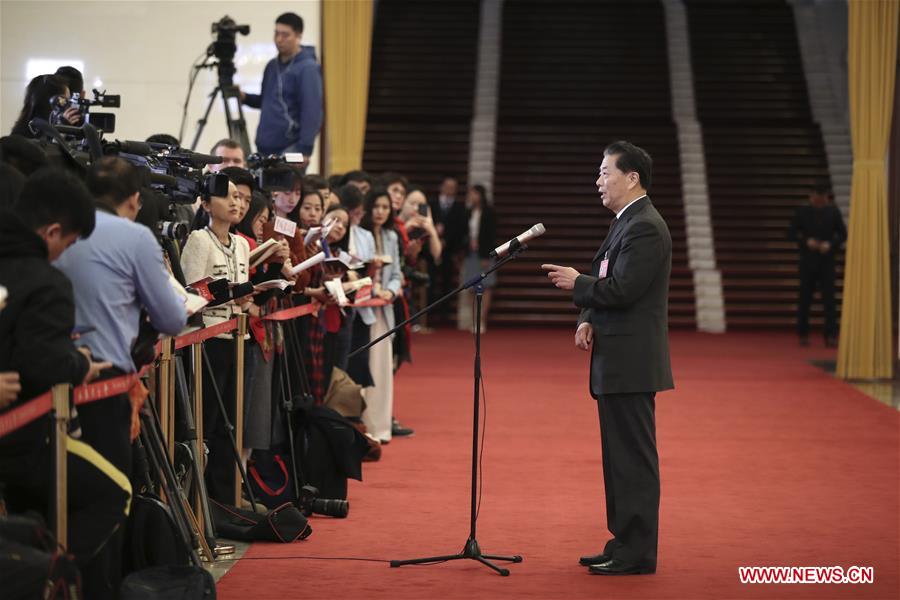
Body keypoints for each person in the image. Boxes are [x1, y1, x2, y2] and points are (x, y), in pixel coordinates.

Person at [542, 140, 673, 576]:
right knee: (618, 458)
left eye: (605, 173)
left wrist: (576, 283)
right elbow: (606, 273)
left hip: (632, 362)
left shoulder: (645, 226)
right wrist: (587, 316)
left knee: (633, 459)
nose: (599, 181)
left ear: (631, 177)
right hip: (615, 357)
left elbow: (623, 288)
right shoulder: (625, 221)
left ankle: (637, 552)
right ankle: (622, 541)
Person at [0, 168, 128, 599]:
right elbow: (43, 363)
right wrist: (78, 364)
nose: (63, 255)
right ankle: (49, 575)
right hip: (26, 439)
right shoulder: (45, 281)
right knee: (115, 491)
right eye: (68, 244)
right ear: (53, 230)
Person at [55, 156, 188, 477]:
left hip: (56, 369)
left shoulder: (60, 229)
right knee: (110, 489)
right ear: (135, 199)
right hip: (106, 374)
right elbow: (172, 319)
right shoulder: (136, 237)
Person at [241, 12, 323, 161]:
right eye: (276, 33)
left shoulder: (307, 68)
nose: (279, 39)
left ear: (298, 35)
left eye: (285, 35)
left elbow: (312, 111)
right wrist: (244, 97)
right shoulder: (272, 66)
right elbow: (266, 101)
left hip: (290, 147)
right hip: (264, 147)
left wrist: (305, 150)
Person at [359, 189, 402, 443]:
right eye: (376, 206)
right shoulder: (361, 235)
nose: (380, 211)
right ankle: (364, 426)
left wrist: (390, 291)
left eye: (385, 207)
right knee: (366, 369)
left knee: (383, 369)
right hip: (362, 310)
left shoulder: (391, 237)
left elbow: (397, 273)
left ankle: (381, 427)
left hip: (384, 309)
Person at [787, 185, 846, 347]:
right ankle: (803, 333)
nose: (819, 201)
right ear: (810, 197)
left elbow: (843, 234)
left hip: (827, 261)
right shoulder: (802, 212)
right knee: (805, 299)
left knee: (829, 301)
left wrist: (831, 244)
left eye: (822, 199)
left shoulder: (833, 212)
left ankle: (831, 335)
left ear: (827, 198)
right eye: (816, 198)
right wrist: (806, 241)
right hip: (807, 261)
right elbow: (790, 233)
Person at [459, 184, 497, 332]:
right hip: (470, 253)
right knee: (470, 285)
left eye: (474, 193)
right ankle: (473, 319)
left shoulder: (489, 212)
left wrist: (486, 254)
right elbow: (462, 232)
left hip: (484, 254)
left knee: (486, 285)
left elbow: (491, 234)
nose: (471, 196)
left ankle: (482, 320)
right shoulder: (468, 212)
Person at [10, 74, 75, 137]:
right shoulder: (24, 140)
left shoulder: (20, 131)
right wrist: (62, 131)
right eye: (65, 101)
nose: (69, 106)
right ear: (51, 102)